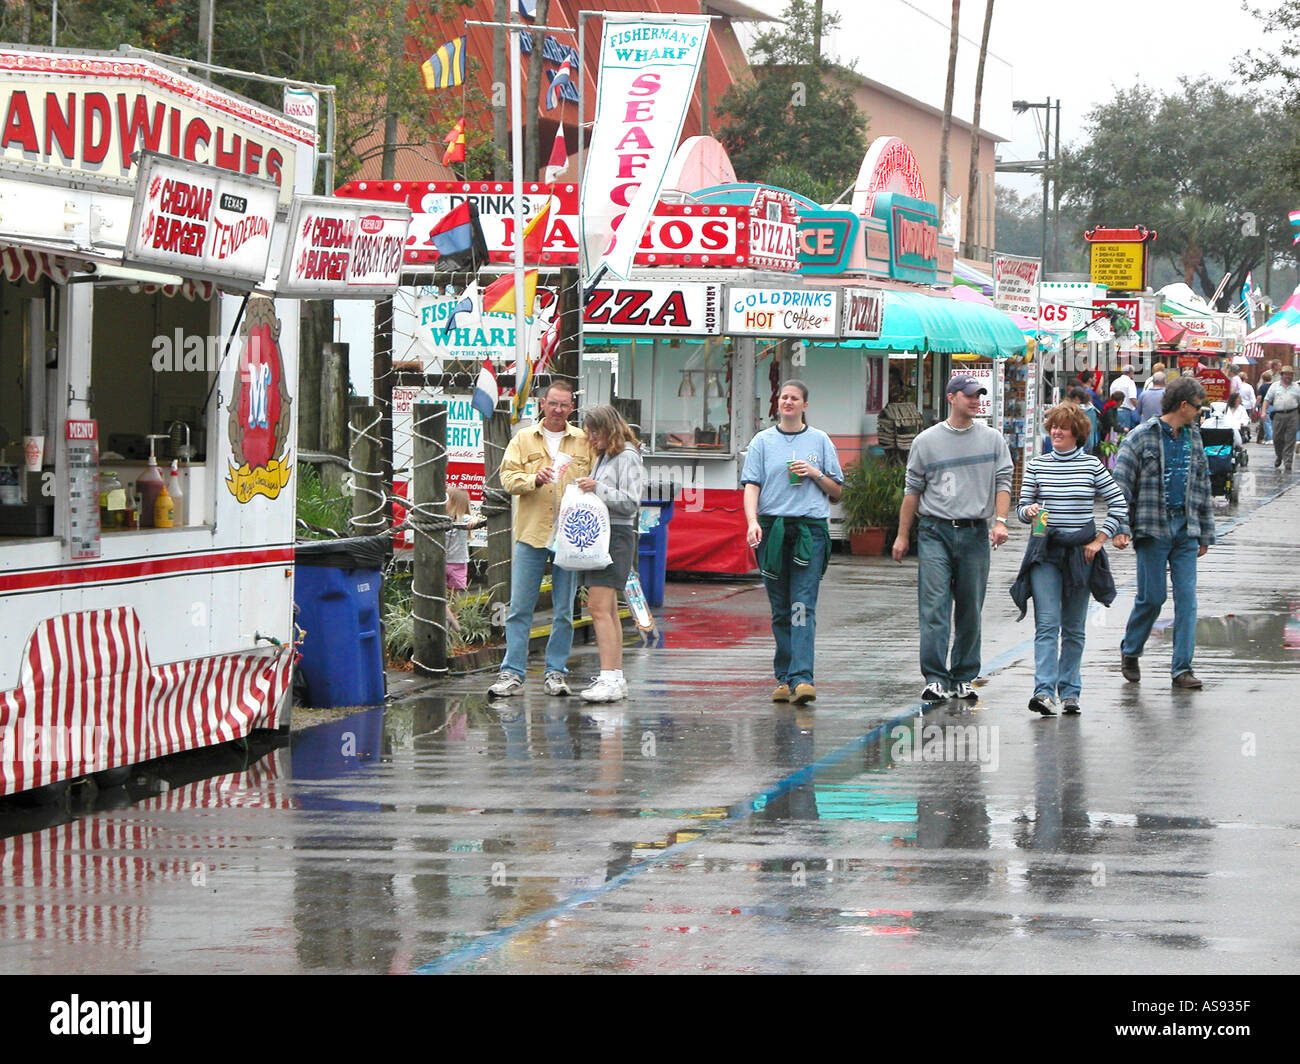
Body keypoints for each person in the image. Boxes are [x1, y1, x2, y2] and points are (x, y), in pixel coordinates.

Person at [893, 373, 1013, 703]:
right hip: (935, 531)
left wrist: (1000, 521)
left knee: (971, 607)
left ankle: (962, 676)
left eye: (979, 396)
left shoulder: (992, 440)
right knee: (934, 607)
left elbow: (1004, 481)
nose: (976, 401)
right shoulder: (926, 441)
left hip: (975, 532)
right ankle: (935, 676)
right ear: (951, 397)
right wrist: (903, 536)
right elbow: (912, 490)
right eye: (970, 395)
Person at [1012, 402, 1130, 715]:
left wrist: (1100, 539)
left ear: (1076, 433)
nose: (1056, 432)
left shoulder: (1092, 466)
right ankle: (1043, 692)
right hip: (1045, 552)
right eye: (1052, 427)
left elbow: (1118, 503)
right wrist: (1030, 511)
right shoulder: (1037, 464)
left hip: (1081, 554)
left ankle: (1071, 692)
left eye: (1062, 428)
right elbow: (1022, 508)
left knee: (1074, 628)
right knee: (1047, 624)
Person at [489, 379, 592, 697]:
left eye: (564, 405)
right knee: (520, 607)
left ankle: (556, 672)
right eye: (553, 403)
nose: (558, 410)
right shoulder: (523, 438)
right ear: (542, 404)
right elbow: (506, 478)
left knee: (564, 609)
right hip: (532, 533)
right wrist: (533, 478)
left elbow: (599, 476)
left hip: (570, 536)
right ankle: (511, 673)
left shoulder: (584, 441)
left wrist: (593, 484)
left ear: (572, 408)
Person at [743, 380, 843, 705]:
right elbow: (751, 486)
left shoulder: (820, 440)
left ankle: (802, 678)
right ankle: (783, 679)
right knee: (780, 608)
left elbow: (837, 490)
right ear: (778, 402)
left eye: (794, 398)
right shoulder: (762, 441)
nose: (788, 402)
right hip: (773, 531)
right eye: (784, 397)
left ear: (804, 405)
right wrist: (753, 522)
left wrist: (814, 473)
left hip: (808, 532)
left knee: (802, 605)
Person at [1113, 376, 1216, 690]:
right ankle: (1131, 650)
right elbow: (1120, 486)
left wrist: (1205, 534)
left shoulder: (1194, 438)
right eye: (1198, 407)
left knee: (1188, 601)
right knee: (1152, 598)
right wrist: (1120, 528)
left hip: (1185, 531)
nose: (1200, 413)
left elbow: (1203, 485)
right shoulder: (1140, 437)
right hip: (1152, 529)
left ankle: (1182, 669)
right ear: (1183, 406)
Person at [570, 404, 644, 704]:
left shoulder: (627, 456)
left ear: (608, 429)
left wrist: (597, 487)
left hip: (617, 535)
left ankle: (609, 677)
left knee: (599, 607)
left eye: (594, 431)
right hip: (601, 534)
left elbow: (631, 502)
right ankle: (613, 675)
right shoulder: (605, 456)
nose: (590, 438)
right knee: (608, 609)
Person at [444, 486, 484, 634]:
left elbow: (476, 518)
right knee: (440, 593)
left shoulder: (462, 518)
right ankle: (452, 621)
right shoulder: (440, 518)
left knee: (455, 594)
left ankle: (454, 617)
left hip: (458, 562)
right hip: (441, 563)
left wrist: (474, 520)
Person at [1262, 365, 1300, 473]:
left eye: (1290, 374)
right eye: (1286, 374)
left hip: (1293, 414)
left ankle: (1288, 463)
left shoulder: (1296, 387)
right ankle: (1279, 456)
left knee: (1290, 439)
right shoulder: (1275, 386)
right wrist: (1264, 411)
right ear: (1282, 375)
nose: (1288, 376)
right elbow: (1267, 399)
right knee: (1277, 438)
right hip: (1278, 415)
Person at [1112, 364, 1139, 429]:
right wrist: (1139, 408)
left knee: (1115, 434)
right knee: (1124, 434)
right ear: (1131, 372)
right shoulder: (1130, 382)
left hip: (1114, 410)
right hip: (1125, 411)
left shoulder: (1115, 382)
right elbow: (1132, 398)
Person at [1256, 371, 1274, 442]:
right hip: (1274, 405)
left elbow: (1259, 398)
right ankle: (1273, 437)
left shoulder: (1262, 387)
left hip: (1265, 406)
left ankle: (1269, 438)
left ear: (1263, 379)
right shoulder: (1273, 386)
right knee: (1273, 423)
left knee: (1266, 422)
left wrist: (1255, 406)